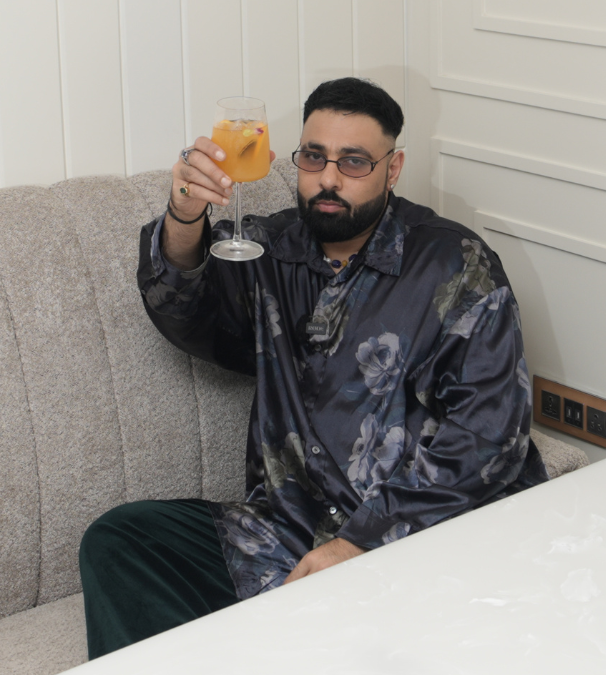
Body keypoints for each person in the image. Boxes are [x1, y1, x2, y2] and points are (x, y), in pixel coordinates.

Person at [79, 77, 549, 659]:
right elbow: (183, 306)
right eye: (314, 157)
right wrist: (184, 213)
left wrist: (360, 543)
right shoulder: (269, 249)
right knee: (123, 539)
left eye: (353, 162)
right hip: (290, 530)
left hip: (422, 538)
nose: (328, 178)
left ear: (393, 168)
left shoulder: (455, 264)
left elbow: (490, 437)